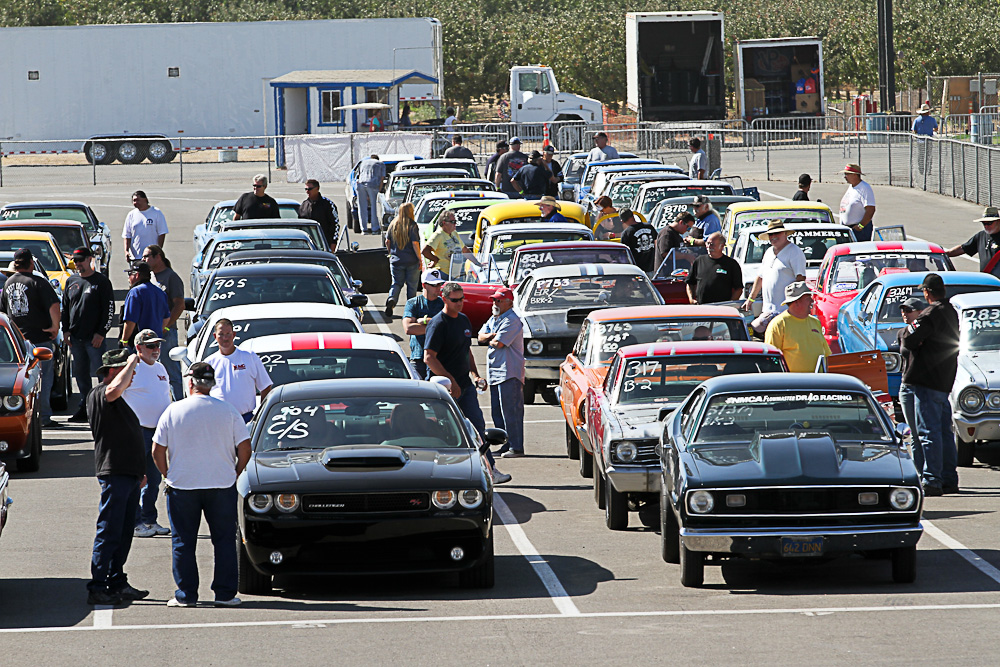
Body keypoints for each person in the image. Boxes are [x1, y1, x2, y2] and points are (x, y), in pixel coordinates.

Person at [153, 362, 251, 607]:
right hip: (221, 483)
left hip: (182, 485)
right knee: (225, 541)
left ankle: (186, 595)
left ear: (190, 382)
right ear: (212, 383)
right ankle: (225, 594)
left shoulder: (173, 411)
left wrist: (167, 474)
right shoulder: (229, 411)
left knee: (183, 542)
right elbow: (245, 448)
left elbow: (157, 450)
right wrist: (236, 472)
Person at [424, 282, 510, 484]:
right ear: (444, 299)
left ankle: (490, 470)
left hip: (465, 386)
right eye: (455, 300)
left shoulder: (463, 320)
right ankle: (444, 475)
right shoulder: (438, 324)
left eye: (462, 299)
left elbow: (466, 350)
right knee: (445, 432)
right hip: (442, 389)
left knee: (478, 427)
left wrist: (475, 374)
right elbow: (429, 358)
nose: (460, 303)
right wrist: (451, 381)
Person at [85, 349, 149, 606]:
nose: (131, 377)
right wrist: (133, 361)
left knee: (123, 532)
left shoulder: (117, 399)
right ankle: (98, 585)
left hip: (128, 474)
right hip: (115, 474)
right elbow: (114, 389)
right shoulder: (100, 393)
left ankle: (117, 580)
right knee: (109, 529)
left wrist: (139, 472)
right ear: (113, 371)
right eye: (126, 372)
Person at [901, 273, 960, 496]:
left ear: (927, 293)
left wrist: (914, 334)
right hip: (944, 380)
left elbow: (909, 339)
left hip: (926, 380)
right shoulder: (951, 312)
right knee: (944, 431)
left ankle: (932, 479)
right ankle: (948, 478)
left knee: (928, 432)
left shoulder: (929, 314)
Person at [1, 248, 60, 427]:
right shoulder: (39, 282)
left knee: (21, 383)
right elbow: (54, 304)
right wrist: (55, 327)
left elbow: (3, 312)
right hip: (39, 339)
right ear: (31, 263)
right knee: (43, 379)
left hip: (17, 344)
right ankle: (43, 417)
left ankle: (26, 416)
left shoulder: (8, 283)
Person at [122, 330, 173, 539]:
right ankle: (135, 522)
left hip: (158, 432)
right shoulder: (132, 368)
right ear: (139, 348)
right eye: (151, 346)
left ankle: (149, 519)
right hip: (136, 431)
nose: (156, 350)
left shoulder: (160, 368)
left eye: (157, 345)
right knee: (135, 479)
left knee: (153, 479)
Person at [63, 246, 115, 423]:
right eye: (75, 261)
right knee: (81, 375)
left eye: (81, 260)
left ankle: (104, 409)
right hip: (76, 338)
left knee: (102, 374)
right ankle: (85, 408)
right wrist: (66, 330)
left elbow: (109, 310)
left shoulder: (101, 282)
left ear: (89, 259)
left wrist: (101, 333)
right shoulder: (71, 281)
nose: (77, 264)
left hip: (95, 339)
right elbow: (66, 307)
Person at [478, 287, 525, 458]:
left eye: (499, 300)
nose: (495, 303)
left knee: (511, 412)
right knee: (497, 413)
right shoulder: (494, 318)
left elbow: (499, 344)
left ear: (509, 303)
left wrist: (490, 338)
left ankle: (516, 447)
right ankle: (505, 445)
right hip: (495, 372)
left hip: (509, 372)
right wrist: (492, 336)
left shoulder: (512, 320)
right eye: (494, 300)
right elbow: (480, 337)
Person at [742, 219, 807, 336]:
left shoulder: (794, 252)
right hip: (768, 310)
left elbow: (800, 280)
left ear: (785, 234)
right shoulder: (768, 252)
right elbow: (760, 277)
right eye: (771, 234)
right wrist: (751, 299)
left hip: (785, 311)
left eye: (777, 233)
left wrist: (795, 305)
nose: (773, 237)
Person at [205, 319, 272, 423]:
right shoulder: (209, 363)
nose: (225, 338)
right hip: (218, 420)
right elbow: (203, 394)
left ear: (234, 334)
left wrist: (261, 416)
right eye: (221, 334)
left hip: (246, 419)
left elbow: (265, 387)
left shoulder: (249, 357)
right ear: (215, 336)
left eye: (228, 334)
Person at [141, 245, 184, 399]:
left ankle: (179, 403)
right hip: (149, 334)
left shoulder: (171, 277)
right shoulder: (149, 277)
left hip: (167, 333)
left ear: (158, 256)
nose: (144, 260)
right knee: (152, 372)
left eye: (146, 256)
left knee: (171, 371)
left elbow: (179, 304)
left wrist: (166, 326)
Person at [764, 282, 831, 372]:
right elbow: (770, 359)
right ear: (797, 302)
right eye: (808, 298)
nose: (812, 301)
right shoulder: (778, 324)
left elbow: (826, 355)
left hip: (818, 382)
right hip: (792, 383)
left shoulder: (815, 322)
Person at [896, 297, 927, 480]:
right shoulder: (901, 333)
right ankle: (917, 475)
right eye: (903, 310)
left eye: (909, 310)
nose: (904, 314)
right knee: (914, 434)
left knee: (925, 433)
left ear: (919, 313)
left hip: (923, 387)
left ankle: (928, 474)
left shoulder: (926, 332)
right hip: (906, 386)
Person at [402, 269, 446, 379]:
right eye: (434, 285)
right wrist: (436, 326)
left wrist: (424, 321)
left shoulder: (444, 303)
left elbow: (448, 326)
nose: (438, 288)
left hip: (439, 358)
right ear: (424, 285)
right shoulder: (413, 303)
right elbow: (409, 328)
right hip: (418, 357)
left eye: (439, 284)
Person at [384, 202, 422, 318]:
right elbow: (415, 244)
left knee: (396, 283)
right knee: (412, 286)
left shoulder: (393, 224)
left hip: (396, 261)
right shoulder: (412, 225)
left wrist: (391, 252)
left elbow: (387, 241)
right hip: (411, 261)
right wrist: (420, 259)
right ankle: (410, 310)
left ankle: (391, 299)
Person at [121, 261, 170, 347]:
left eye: (130, 274)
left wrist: (124, 340)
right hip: (155, 342)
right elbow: (166, 318)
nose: (128, 278)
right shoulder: (160, 292)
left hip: (139, 342)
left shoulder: (135, 292)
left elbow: (130, 320)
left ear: (137, 275)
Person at [685, 232, 743, 304]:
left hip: (722, 309)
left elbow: (739, 289)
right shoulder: (699, 261)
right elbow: (690, 283)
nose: (709, 246)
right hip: (701, 307)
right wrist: (691, 299)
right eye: (707, 243)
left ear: (721, 246)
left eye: (712, 244)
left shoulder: (731, 264)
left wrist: (730, 304)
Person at [945, 207, 1000, 271]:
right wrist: (944, 254)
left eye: (989, 223)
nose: (986, 226)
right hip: (986, 278)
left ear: (998, 221)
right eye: (984, 223)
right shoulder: (981, 236)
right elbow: (963, 248)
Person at [422, 210, 475, 277]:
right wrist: (435, 260)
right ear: (444, 223)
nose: (455, 224)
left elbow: (465, 250)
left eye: (456, 222)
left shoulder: (454, 233)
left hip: (456, 274)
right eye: (453, 222)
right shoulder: (438, 235)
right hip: (443, 273)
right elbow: (425, 251)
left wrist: (478, 263)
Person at [122, 190, 168, 262]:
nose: (135, 203)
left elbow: (162, 233)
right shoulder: (131, 215)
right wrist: (126, 251)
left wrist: (158, 251)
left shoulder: (156, 213)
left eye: (138, 200)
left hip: (151, 256)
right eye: (134, 201)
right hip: (135, 256)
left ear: (145, 199)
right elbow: (127, 235)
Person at [839, 163, 875, 243]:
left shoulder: (864, 188)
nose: (845, 176)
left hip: (859, 231)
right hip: (848, 229)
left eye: (847, 174)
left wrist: (861, 226)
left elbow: (870, 209)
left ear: (855, 175)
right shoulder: (852, 187)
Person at [298, 179, 339, 248]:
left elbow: (335, 225)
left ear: (317, 188)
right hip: (306, 245)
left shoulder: (328, 205)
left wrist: (333, 243)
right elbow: (299, 226)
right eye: (306, 189)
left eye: (309, 189)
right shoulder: (304, 205)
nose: (307, 191)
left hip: (324, 245)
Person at [619, 208, 657, 273]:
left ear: (622, 221)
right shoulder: (649, 227)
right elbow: (657, 243)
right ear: (633, 215)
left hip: (638, 271)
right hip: (654, 268)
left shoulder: (626, 233)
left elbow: (624, 254)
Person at [356, 154, 386, 235]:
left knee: (362, 207)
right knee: (374, 207)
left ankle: (364, 229)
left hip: (361, 184)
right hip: (373, 184)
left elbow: (359, 175)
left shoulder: (363, 162)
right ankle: (375, 229)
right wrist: (379, 191)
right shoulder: (380, 164)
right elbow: (382, 178)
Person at [913, 103, 939, 175]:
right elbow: (936, 128)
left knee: (921, 155)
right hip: (929, 140)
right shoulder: (932, 119)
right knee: (929, 155)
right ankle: (928, 170)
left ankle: (921, 170)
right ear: (928, 112)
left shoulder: (917, 120)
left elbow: (914, 130)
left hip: (920, 140)